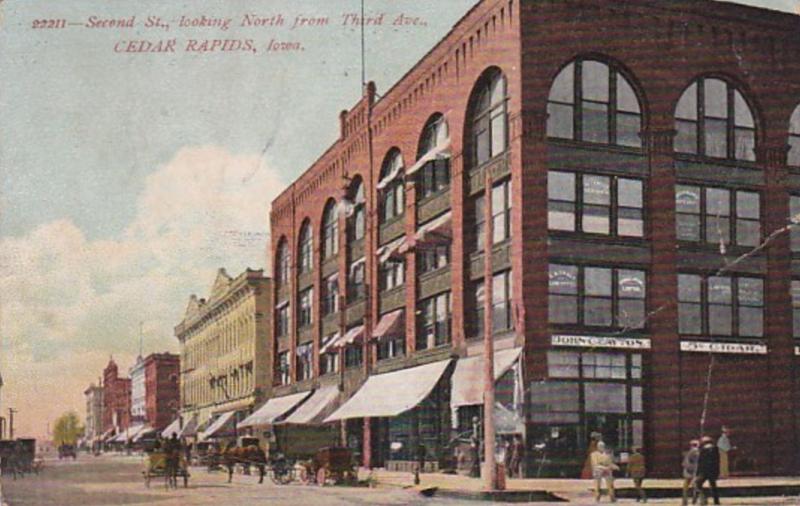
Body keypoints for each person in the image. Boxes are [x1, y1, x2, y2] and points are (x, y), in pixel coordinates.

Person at [695, 436, 721, 505]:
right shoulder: (715, 449)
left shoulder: (703, 450)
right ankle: (716, 501)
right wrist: (717, 471)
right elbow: (717, 461)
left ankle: (703, 497)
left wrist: (698, 472)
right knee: (713, 485)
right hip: (712, 470)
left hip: (704, 471)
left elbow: (700, 462)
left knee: (698, 483)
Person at [682, 439, 700, 506]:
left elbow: (684, 463)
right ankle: (695, 500)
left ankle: (685, 501)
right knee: (696, 486)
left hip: (688, 471)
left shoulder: (689, 452)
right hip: (694, 471)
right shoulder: (697, 452)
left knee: (686, 487)